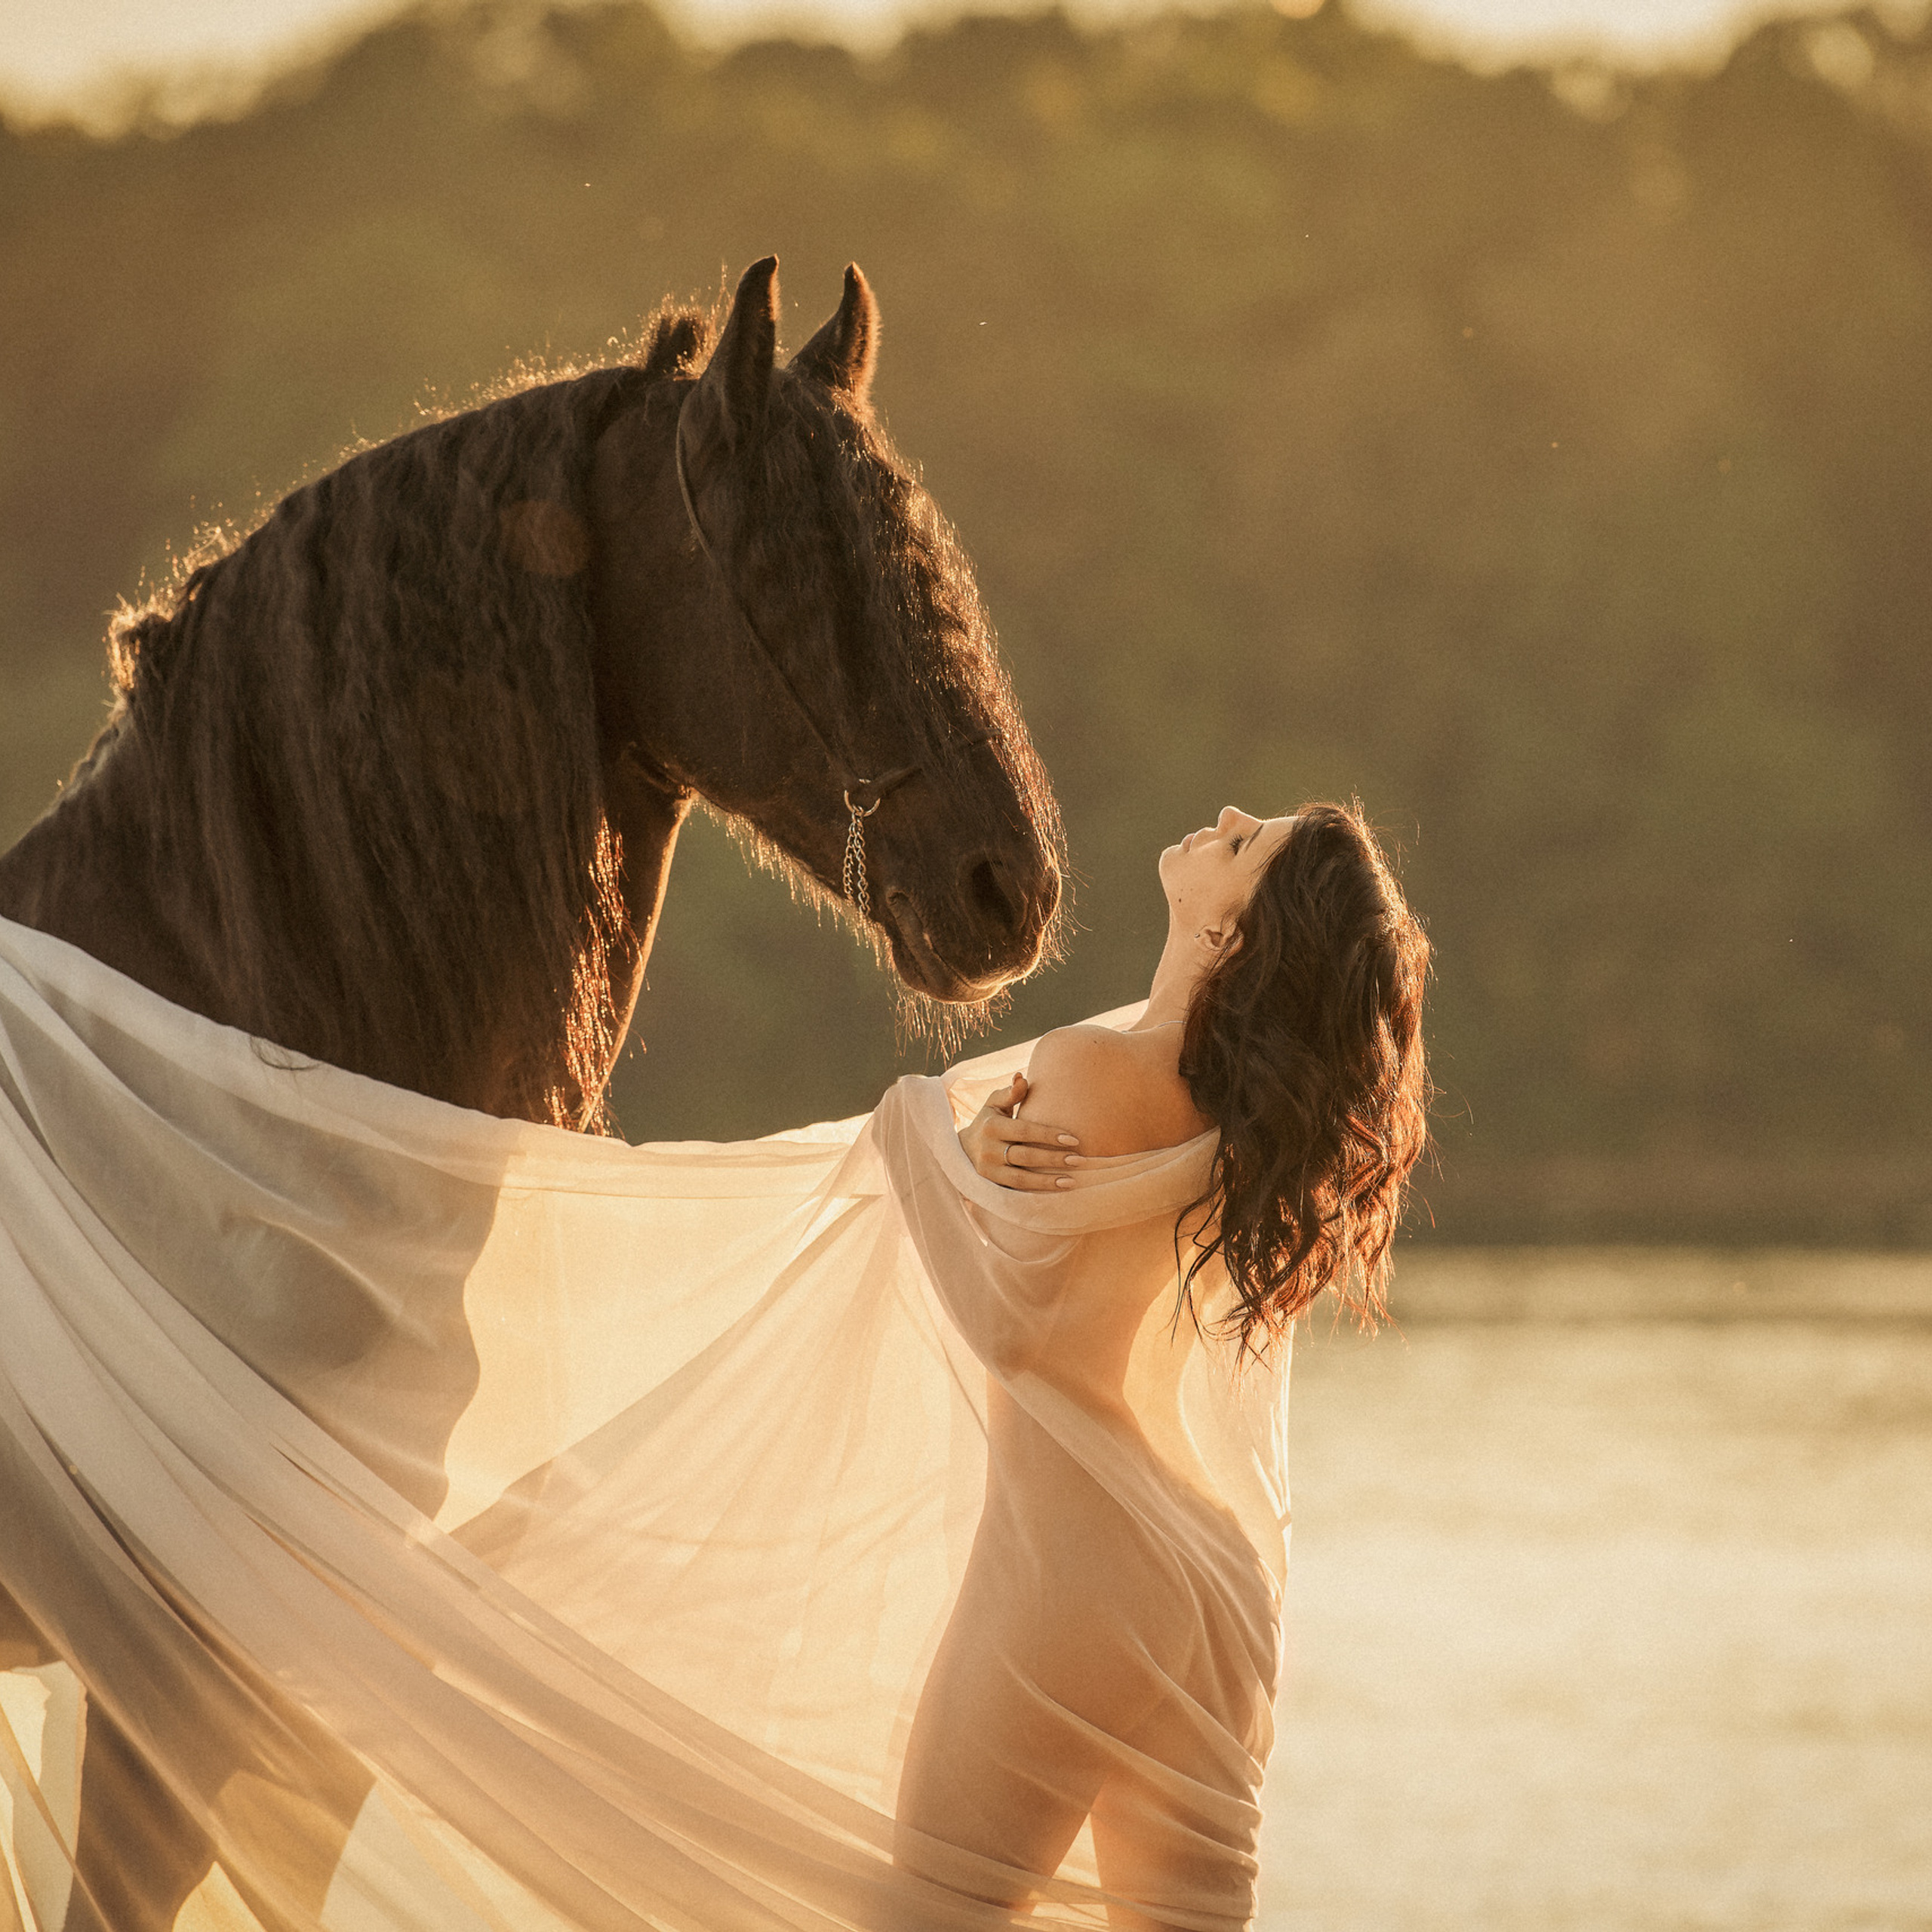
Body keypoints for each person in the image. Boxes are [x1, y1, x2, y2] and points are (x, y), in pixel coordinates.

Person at [889, 801, 1429, 1924]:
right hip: (1207, 1571)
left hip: (1077, 1569)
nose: (1226, 815)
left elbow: (1015, 1331)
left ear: (1230, 935)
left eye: (1246, 844)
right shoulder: (1233, 1116)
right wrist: (975, 1161)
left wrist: (923, 1149)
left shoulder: (1089, 1064)